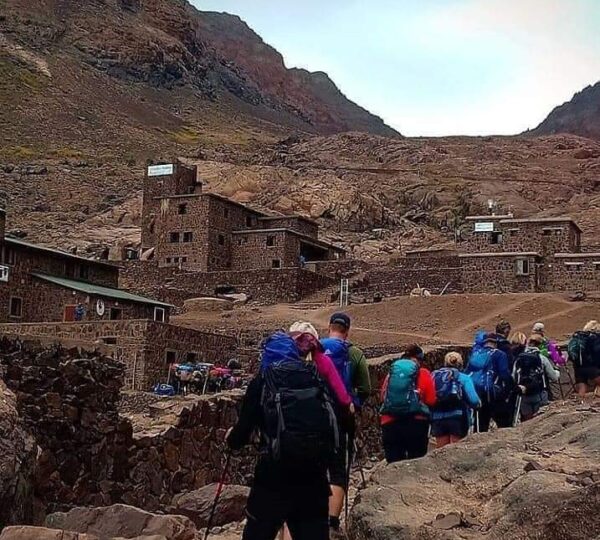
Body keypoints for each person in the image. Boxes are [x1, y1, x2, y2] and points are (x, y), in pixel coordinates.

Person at [226, 330, 341, 540]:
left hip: (273, 477)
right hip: (314, 477)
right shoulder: (313, 376)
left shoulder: (262, 380)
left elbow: (242, 433)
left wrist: (231, 440)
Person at [320, 313, 371, 537]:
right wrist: (354, 403)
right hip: (341, 416)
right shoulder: (354, 353)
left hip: (314, 415)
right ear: (347, 331)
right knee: (338, 469)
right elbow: (366, 388)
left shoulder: (315, 349)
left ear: (329, 327)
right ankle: (332, 523)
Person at [379, 344, 436, 463]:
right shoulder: (424, 373)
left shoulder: (391, 374)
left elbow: (382, 397)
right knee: (416, 465)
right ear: (419, 359)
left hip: (390, 423)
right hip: (416, 424)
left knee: (393, 465)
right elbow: (431, 400)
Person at [431, 352, 481, 448]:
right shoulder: (463, 378)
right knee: (456, 449)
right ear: (460, 363)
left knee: (441, 450)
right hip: (458, 417)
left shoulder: (434, 375)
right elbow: (474, 400)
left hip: (437, 417)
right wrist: (478, 405)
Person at [466, 333, 514, 432]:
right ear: (495, 343)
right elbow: (504, 374)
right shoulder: (500, 354)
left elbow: (467, 372)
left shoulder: (475, 354)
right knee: (504, 424)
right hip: (493, 394)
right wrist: (510, 390)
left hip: (477, 394)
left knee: (480, 425)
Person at [514, 334, 560, 421]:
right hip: (540, 393)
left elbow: (514, 375)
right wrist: (557, 372)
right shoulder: (541, 358)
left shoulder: (519, 358)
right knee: (540, 421)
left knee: (527, 420)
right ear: (539, 345)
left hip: (523, 394)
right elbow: (553, 377)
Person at [568, 320, 600, 397]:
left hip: (578, 369)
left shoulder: (578, 337)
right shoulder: (595, 339)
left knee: (582, 390)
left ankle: (580, 405)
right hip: (592, 368)